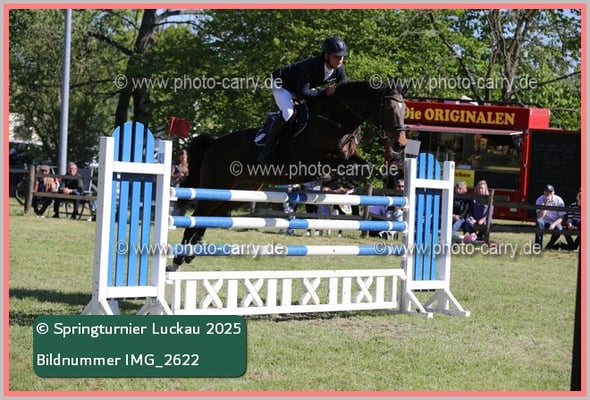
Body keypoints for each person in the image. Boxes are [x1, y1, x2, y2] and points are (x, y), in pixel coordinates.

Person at [258, 36, 348, 164]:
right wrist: (324, 92)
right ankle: (265, 151)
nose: (340, 60)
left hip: (299, 87)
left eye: (342, 57)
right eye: (336, 57)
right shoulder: (312, 66)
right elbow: (302, 93)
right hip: (282, 84)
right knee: (288, 113)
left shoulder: (339, 69)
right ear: (326, 55)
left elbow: (342, 91)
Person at [535, 184, 566, 250]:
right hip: (544, 221)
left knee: (559, 229)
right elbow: (539, 216)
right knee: (539, 222)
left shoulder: (559, 200)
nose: (548, 194)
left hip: (554, 221)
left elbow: (561, 217)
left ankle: (549, 245)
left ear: (553, 192)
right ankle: (538, 246)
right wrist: (545, 204)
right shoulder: (540, 199)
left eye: (550, 192)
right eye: (547, 192)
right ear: (544, 192)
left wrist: (553, 224)